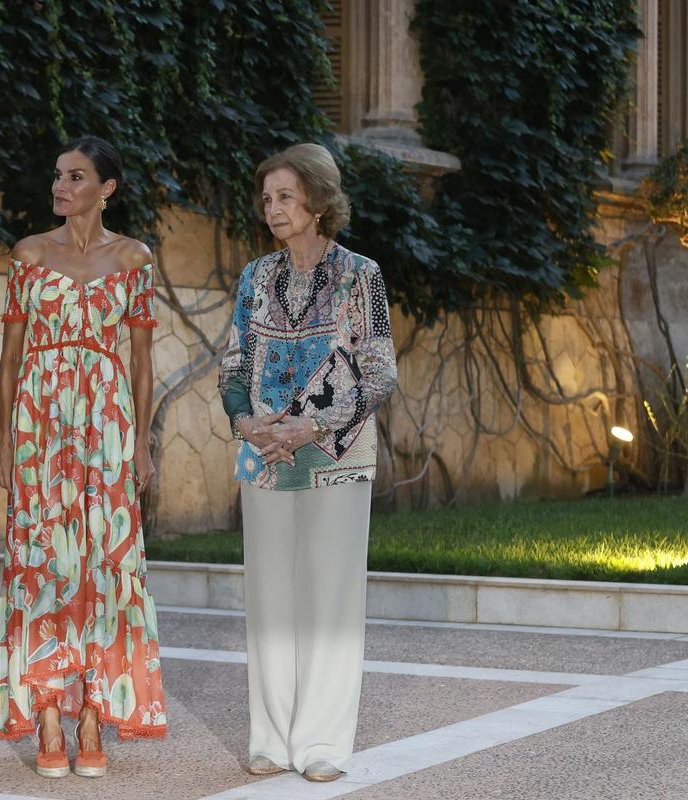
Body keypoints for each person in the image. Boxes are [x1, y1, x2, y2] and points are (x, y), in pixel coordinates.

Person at [0, 135, 168, 778]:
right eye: (57, 175)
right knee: (42, 563)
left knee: (103, 566)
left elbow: (143, 364)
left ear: (106, 188)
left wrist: (142, 440)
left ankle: (93, 713)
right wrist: (4, 440)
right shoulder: (29, 253)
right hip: (40, 422)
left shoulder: (135, 258)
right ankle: (44, 718)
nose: (60, 186)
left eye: (75, 176)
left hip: (106, 423)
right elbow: (10, 361)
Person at [218, 142, 397, 783]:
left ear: (319, 202)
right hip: (263, 454)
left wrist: (314, 425)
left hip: (336, 455)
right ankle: (269, 736)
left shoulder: (362, 276)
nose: (272, 208)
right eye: (267, 199)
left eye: (285, 196)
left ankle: (321, 742)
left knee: (330, 599)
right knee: (269, 599)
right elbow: (234, 364)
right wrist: (244, 420)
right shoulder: (255, 278)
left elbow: (379, 373)